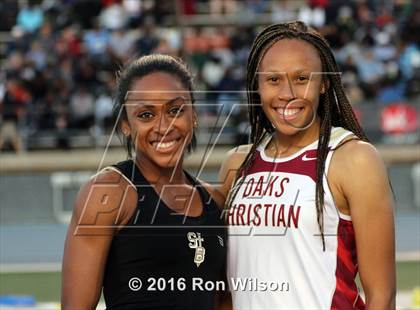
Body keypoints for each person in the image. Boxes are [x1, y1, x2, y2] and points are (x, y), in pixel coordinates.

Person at [219, 21, 395, 309]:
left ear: (324, 83)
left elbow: (382, 297)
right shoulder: (238, 163)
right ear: (257, 86)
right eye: (273, 80)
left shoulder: (352, 159)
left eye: (302, 78)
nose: (287, 93)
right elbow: (228, 289)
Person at [62, 54, 227, 309]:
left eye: (175, 110)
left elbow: (222, 301)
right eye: (146, 115)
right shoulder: (108, 194)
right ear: (126, 125)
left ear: (193, 114)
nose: (163, 126)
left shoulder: (216, 202)